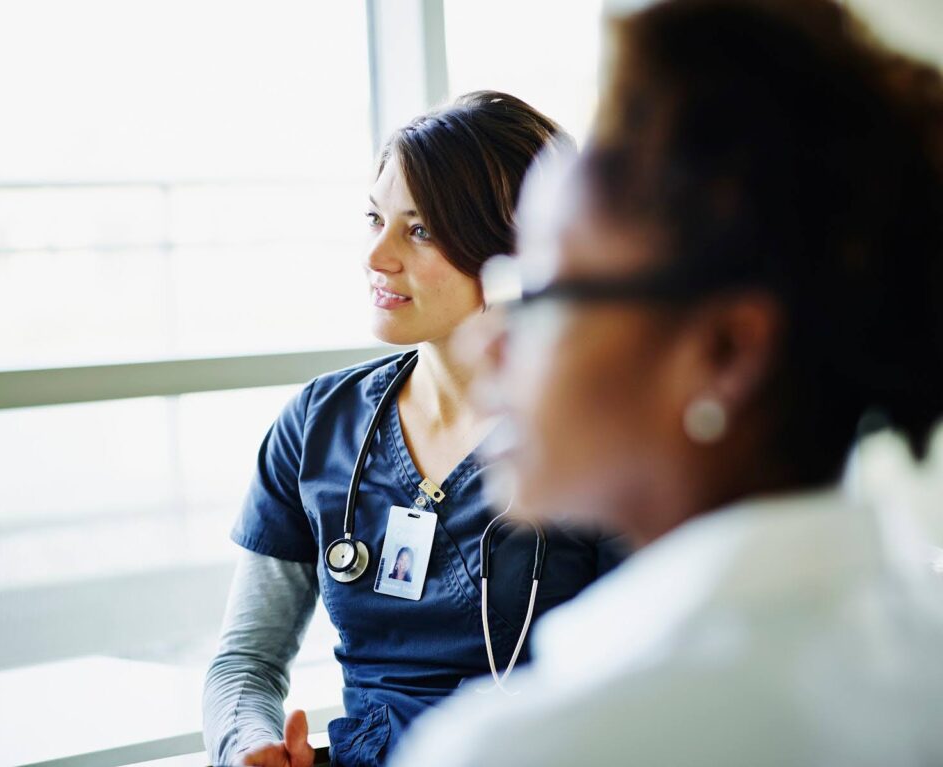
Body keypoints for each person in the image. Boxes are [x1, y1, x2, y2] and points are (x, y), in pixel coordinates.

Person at [390, 1, 943, 765]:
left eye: (541, 295)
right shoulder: (916, 651)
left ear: (724, 352)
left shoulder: (537, 744)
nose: (490, 342)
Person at [202, 91, 626, 767]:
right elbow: (244, 661)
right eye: (374, 218)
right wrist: (247, 741)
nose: (376, 256)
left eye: (419, 230)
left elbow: (640, 688)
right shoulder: (318, 426)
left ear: (517, 250)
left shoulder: (598, 439)